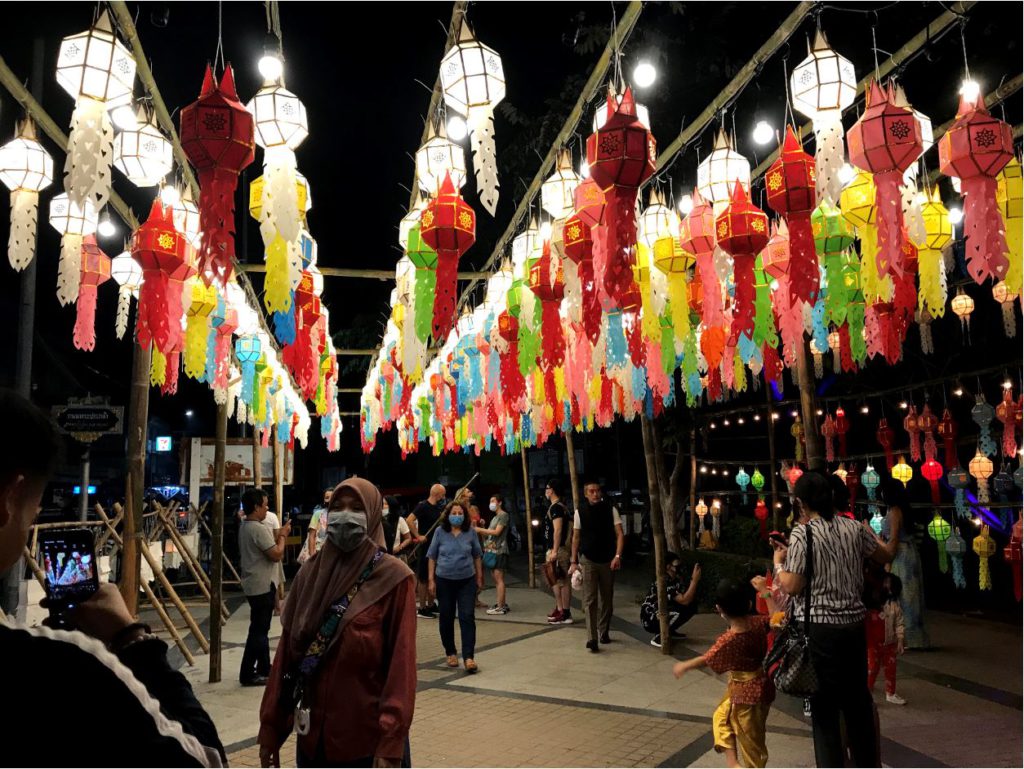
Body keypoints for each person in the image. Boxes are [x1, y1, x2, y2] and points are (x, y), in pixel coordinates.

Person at [0, 388, 224, 766]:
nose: (30, 525)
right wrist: (132, 638)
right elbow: (206, 760)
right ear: (9, 498)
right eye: (33, 511)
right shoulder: (66, 669)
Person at [259, 478, 417, 768]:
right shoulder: (310, 572)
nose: (345, 515)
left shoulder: (394, 578)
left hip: (366, 744)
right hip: (312, 743)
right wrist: (272, 726)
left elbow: (401, 669)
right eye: (338, 507)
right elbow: (287, 656)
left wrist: (390, 742)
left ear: (371, 514)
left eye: (356, 508)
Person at [773, 471, 900, 768]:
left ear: (801, 503)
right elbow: (884, 556)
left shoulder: (802, 534)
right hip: (853, 628)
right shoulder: (854, 528)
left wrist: (779, 564)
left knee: (825, 708)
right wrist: (893, 528)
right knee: (857, 702)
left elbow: (792, 585)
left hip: (819, 632)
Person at [673, 579, 775, 769]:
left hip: (747, 695)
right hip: (755, 687)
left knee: (752, 746)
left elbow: (707, 658)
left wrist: (685, 665)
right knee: (721, 717)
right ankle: (733, 763)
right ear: (750, 604)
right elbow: (777, 619)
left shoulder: (730, 638)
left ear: (719, 609)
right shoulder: (758, 622)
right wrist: (765, 592)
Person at [238, 488, 291, 686]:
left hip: (255, 582)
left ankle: (263, 667)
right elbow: (276, 554)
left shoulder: (246, 525)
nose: (267, 509)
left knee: (260, 627)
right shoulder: (257, 528)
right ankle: (248, 672)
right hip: (261, 584)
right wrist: (284, 535)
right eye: (265, 505)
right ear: (257, 506)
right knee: (259, 630)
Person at [427, 501, 483, 673]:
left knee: (467, 616)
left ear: (465, 516)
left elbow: (477, 555)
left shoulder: (471, 533)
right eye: (454, 513)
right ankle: (450, 652)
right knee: (446, 616)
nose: (457, 516)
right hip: (444, 580)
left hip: (467, 580)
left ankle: (469, 657)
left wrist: (480, 577)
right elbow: (432, 556)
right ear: (448, 515)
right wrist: (431, 579)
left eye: (460, 513)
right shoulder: (439, 532)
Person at [569, 480, 624, 651]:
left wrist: (617, 555)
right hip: (589, 559)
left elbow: (619, 534)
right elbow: (576, 537)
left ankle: (603, 630)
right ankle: (591, 637)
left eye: (597, 491)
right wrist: (573, 560)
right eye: (591, 491)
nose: (595, 494)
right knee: (590, 599)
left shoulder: (610, 509)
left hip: (608, 558)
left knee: (607, 598)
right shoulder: (580, 512)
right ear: (585, 494)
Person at [879, 478, 929, 649]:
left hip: (900, 555)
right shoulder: (903, 510)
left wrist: (886, 558)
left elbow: (892, 540)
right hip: (909, 553)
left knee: (902, 594)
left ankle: (906, 637)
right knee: (910, 594)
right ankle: (913, 637)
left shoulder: (894, 512)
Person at [641, 556, 701, 647]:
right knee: (679, 610)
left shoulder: (675, 579)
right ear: (668, 566)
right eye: (676, 564)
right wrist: (694, 581)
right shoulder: (664, 580)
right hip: (650, 618)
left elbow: (686, 598)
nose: (679, 566)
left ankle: (670, 630)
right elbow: (684, 600)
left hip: (660, 611)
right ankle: (661, 636)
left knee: (691, 605)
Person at [867, 573, 907, 705]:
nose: (886, 585)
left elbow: (899, 623)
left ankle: (890, 692)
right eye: (885, 582)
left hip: (890, 643)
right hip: (873, 644)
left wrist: (900, 641)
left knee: (891, 668)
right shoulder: (872, 606)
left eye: (889, 583)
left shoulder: (895, 605)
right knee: (872, 668)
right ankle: (867, 692)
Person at [408, 484, 446, 618]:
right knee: (424, 577)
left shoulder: (437, 508)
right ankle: (422, 607)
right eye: (443, 494)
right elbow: (409, 520)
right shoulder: (423, 506)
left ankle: (431, 604)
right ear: (437, 494)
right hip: (425, 546)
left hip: (435, 546)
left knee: (433, 576)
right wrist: (418, 535)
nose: (444, 497)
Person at [542, 479, 573, 625]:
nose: (545, 491)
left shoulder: (556, 508)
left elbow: (558, 530)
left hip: (558, 550)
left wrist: (554, 550)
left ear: (552, 490)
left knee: (559, 581)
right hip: (559, 549)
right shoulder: (560, 507)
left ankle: (563, 611)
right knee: (559, 580)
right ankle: (561, 609)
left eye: (547, 488)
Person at [475, 495, 511, 615]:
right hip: (492, 551)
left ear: (499, 503)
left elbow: (497, 532)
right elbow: (489, 535)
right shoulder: (495, 517)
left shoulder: (503, 515)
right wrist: (483, 527)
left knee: (499, 579)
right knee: (496, 580)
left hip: (499, 551)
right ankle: (501, 603)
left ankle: (500, 607)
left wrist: (479, 530)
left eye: (493, 501)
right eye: (490, 501)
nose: (491, 503)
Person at [263, 509, 288, 615]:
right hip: (272, 552)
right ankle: (276, 607)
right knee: (273, 582)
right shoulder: (270, 517)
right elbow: (278, 535)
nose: (266, 507)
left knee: (273, 582)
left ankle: (276, 607)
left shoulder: (247, 522)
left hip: (272, 553)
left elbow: (278, 536)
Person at [304, 487, 334, 561]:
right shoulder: (318, 514)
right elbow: (311, 536)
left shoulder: (340, 515)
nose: (329, 500)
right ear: (324, 500)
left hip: (334, 554)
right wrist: (312, 557)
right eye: (327, 497)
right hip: (319, 553)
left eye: (332, 497)